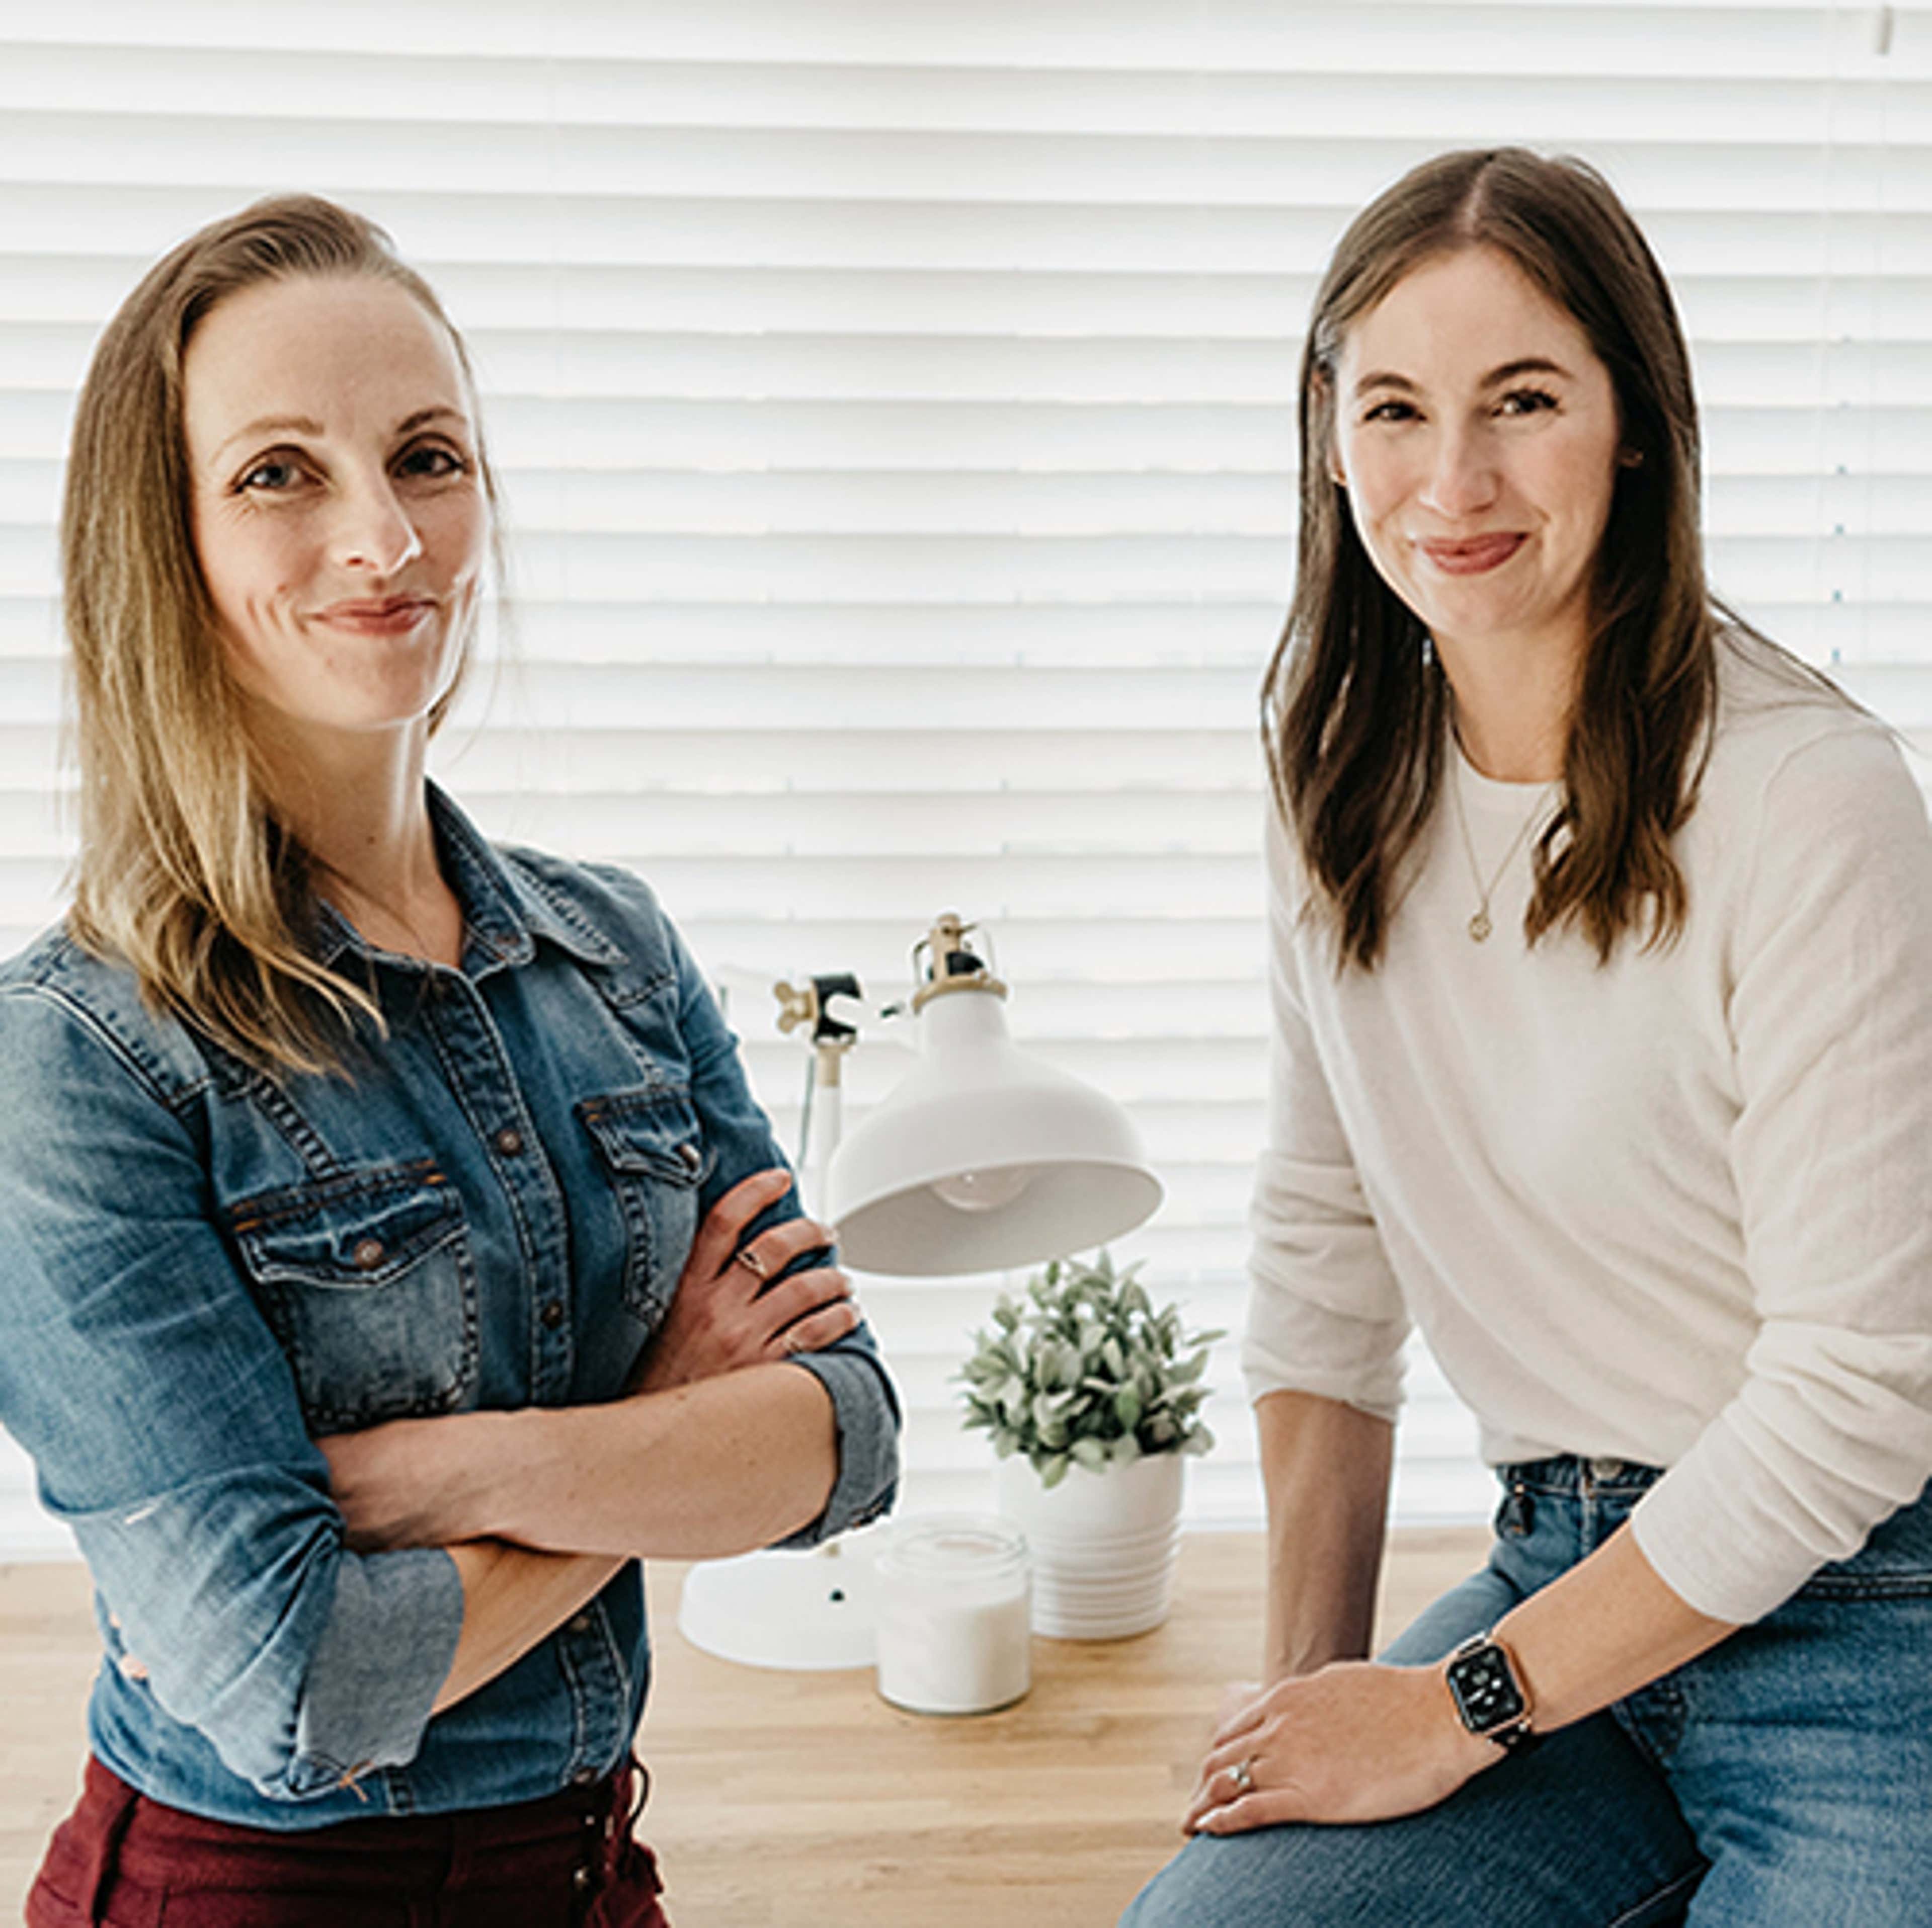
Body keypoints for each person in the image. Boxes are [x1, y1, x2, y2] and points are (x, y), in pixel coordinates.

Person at [0, 195, 900, 1927]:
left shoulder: (612, 953)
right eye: (280, 473)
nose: (382, 535)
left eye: (428, 456)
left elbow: (848, 1443)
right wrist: (661, 1428)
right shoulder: (79, 1057)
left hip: (588, 1870)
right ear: (164, 539)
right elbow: (294, 1689)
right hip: (253, 1896)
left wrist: (461, 1477)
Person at [1122, 147, 1932, 1927]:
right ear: (1332, 442)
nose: (1455, 480)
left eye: (1525, 401)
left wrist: (1455, 1714)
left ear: (1635, 424)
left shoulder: (1813, 800)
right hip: (1558, 1566)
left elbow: (1858, 1399)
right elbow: (1327, 1260)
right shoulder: (1336, 777)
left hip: (1872, 1614)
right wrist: (1304, 1720)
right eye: (1396, 409)